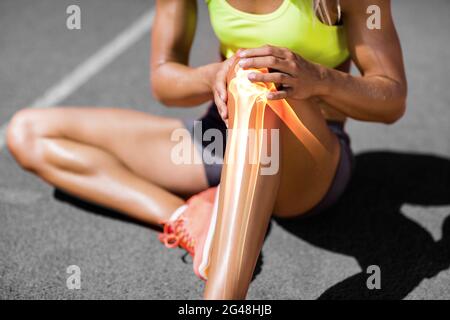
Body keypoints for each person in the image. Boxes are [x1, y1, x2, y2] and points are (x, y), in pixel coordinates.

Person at [6, 0, 407, 299]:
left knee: (259, 83)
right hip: (221, 140)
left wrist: (317, 78)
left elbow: (391, 98)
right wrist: (215, 74)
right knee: (28, 132)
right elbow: (164, 81)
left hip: (307, 162)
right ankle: (190, 218)